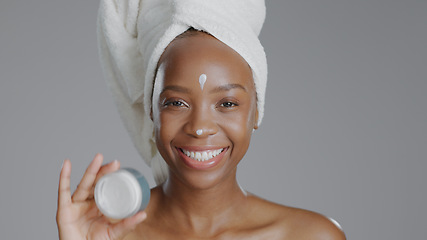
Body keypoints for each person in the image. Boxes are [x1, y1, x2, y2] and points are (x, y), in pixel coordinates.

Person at [57, 1, 346, 239]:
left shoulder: (310, 236)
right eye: (176, 103)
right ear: (151, 111)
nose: (199, 127)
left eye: (227, 103)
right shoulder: (108, 235)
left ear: (256, 111)